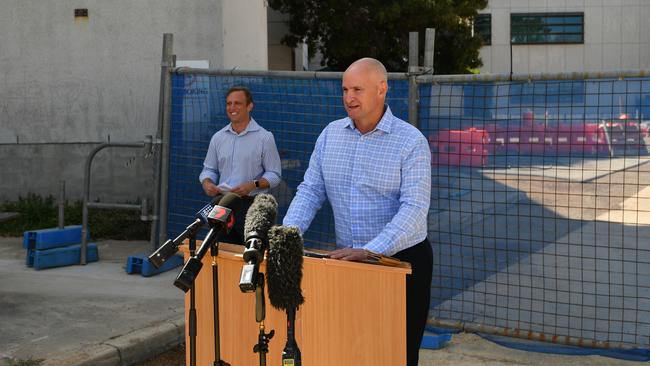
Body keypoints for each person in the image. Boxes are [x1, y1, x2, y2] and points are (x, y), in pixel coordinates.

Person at [283, 58, 432, 366]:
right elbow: (311, 190)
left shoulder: (411, 142)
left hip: (400, 262)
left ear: (382, 89)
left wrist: (369, 251)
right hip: (347, 264)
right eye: (345, 89)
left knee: (397, 354)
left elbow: (415, 209)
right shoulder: (330, 135)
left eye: (358, 89)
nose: (349, 97)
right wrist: (288, 234)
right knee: (352, 349)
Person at [200, 86, 282, 244]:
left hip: (251, 205)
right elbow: (208, 169)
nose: (232, 108)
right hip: (223, 203)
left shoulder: (265, 138)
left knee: (252, 255)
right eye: (228, 103)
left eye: (237, 103)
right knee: (221, 252)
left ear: (249, 106)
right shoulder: (218, 138)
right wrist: (207, 183)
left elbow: (275, 174)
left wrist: (253, 184)